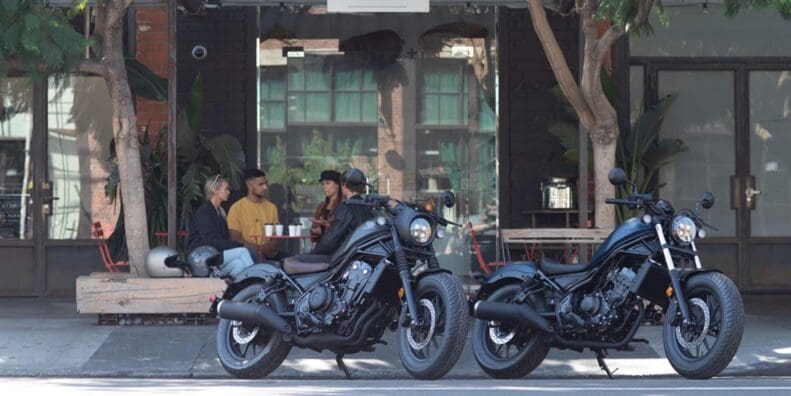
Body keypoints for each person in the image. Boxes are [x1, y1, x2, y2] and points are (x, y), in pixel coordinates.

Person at [186, 174, 255, 278]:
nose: (228, 192)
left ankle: (242, 291)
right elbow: (211, 240)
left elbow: (222, 239)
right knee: (242, 252)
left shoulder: (220, 212)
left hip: (215, 256)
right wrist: (239, 245)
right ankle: (256, 282)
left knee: (238, 264)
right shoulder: (204, 212)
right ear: (215, 190)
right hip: (203, 259)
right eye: (226, 189)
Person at [311, 168, 374, 256]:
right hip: (363, 255)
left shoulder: (345, 207)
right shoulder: (368, 206)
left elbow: (332, 238)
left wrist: (313, 254)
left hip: (346, 257)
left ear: (344, 185)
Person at [227, 169, 279, 260]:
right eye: (261, 184)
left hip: (270, 253)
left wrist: (270, 248)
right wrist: (260, 249)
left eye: (265, 184)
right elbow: (235, 239)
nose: (265, 187)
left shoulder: (272, 207)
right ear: (249, 185)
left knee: (289, 260)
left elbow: (276, 234)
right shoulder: (236, 208)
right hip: (247, 254)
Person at [310, 170, 342, 243]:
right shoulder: (321, 206)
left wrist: (326, 227)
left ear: (337, 185)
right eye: (323, 184)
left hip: (336, 249)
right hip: (321, 246)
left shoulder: (342, 206)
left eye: (328, 183)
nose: (324, 187)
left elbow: (341, 232)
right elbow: (313, 235)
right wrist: (315, 230)